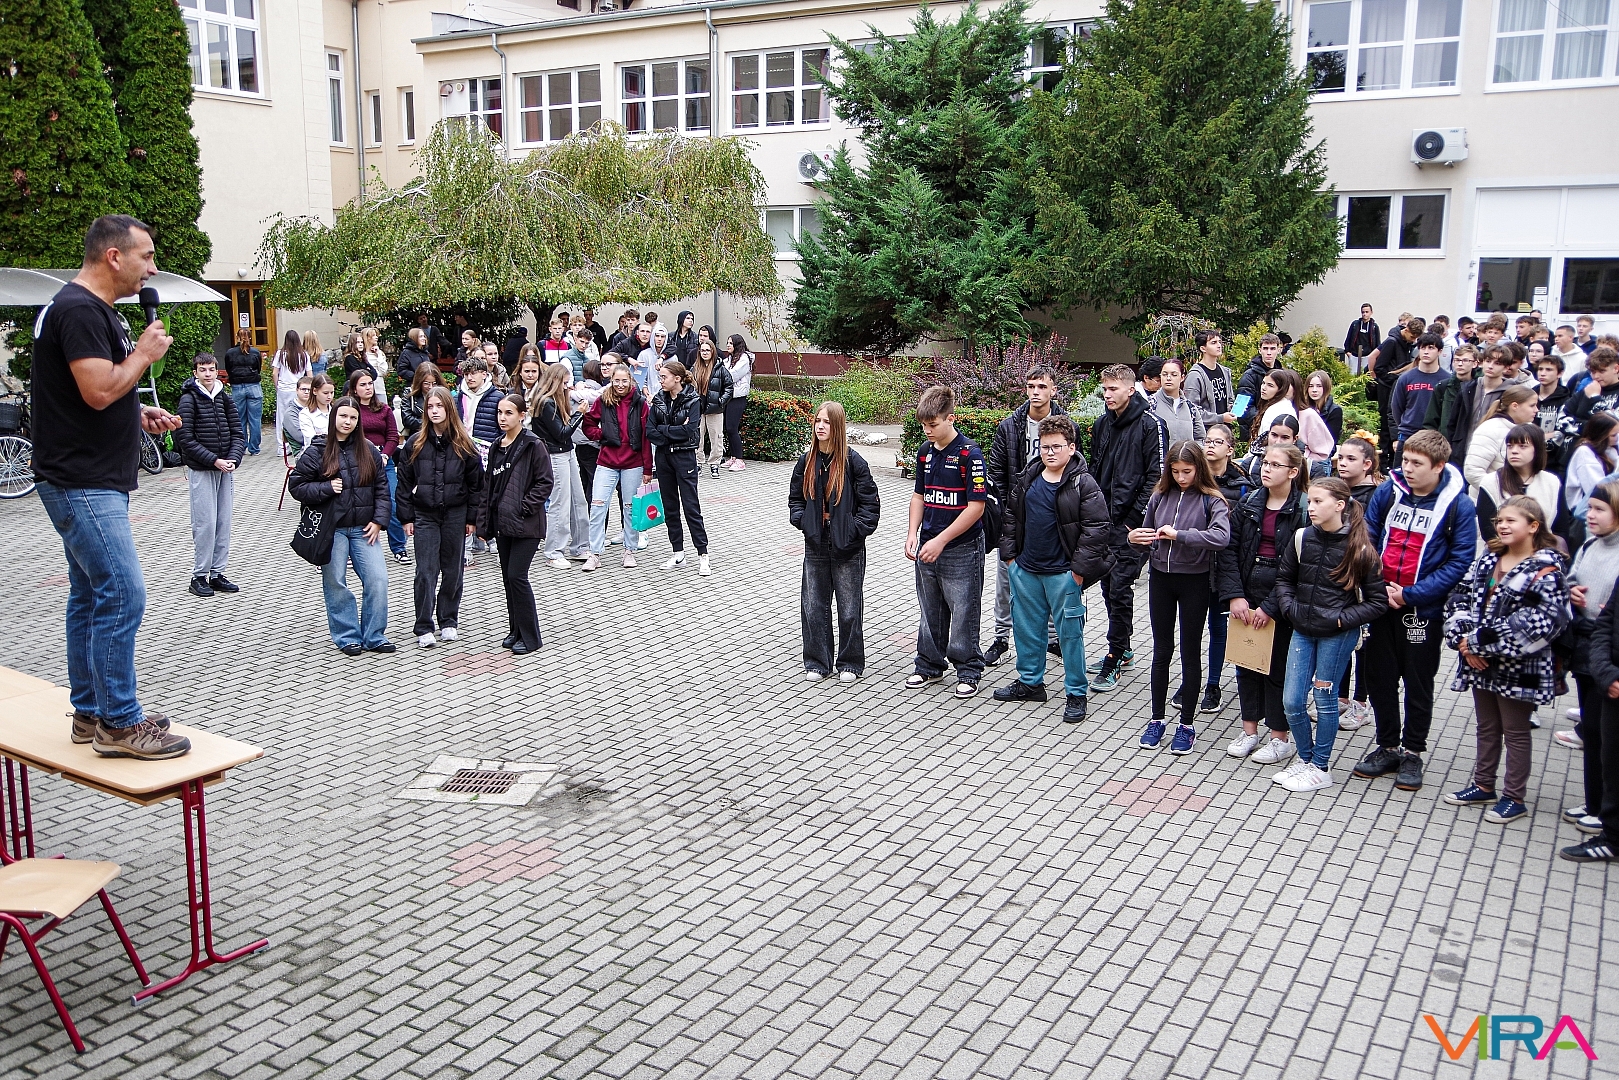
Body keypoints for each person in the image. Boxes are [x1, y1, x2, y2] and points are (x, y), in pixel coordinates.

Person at [31, 215, 191, 759]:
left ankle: (90, 713)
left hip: (82, 477)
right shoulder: (79, 310)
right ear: (113, 256)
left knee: (89, 595)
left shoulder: (86, 309)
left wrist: (135, 412)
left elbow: (87, 394)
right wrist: (143, 355)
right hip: (82, 482)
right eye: (147, 256)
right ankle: (120, 724)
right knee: (123, 593)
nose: (153, 269)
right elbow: (98, 390)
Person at [1353, 429, 1478, 793]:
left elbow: (1460, 561)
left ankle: (1412, 752)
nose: (1407, 468)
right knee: (1379, 677)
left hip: (1422, 609)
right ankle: (1387, 746)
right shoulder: (1388, 491)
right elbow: (1367, 536)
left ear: (1438, 466)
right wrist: (1377, 587)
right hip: (1381, 602)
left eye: (1417, 463)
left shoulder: (1458, 505)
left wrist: (1411, 595)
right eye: (1405, 460)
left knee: (1418, 681)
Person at [1441, 496, 1570, 825]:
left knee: (1515, 731)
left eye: (1511, 520)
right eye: (1499, 520)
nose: (1502, 526)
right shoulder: (1488, 559)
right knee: (1486, 726)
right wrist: (1461, 639)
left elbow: (1541, 623)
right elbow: (1459, 596)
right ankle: (1484, 785)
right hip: (1480, 662)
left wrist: (1477, 644)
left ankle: (1514, 797)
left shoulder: (1546, 570)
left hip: (1521, 667)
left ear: (1533, 526)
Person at [1267, 477, 1388, 792]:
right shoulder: (1302, 537)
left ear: (1339, 505)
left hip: (1337, 635)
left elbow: (1378, 602)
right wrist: (1291, 609)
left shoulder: (1360, 548)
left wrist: (1340, 620)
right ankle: (1306, 760)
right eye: (1310, 501)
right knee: (1292, 700)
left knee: (1324, 698)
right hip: (1302, 629)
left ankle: (1321, 767)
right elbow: (1284, 579)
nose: (1311, 507)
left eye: (1319, 501)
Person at [992, 414, 1111, 723]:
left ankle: (1076, 693)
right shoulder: (1028, 477)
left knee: (1070, 635)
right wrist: (1010, 559)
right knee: (1027, 631)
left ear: (1071, 448)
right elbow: (1010, 517)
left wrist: (1077, 572)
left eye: (1057, 447)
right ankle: (1030, 683)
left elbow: (1097, 529)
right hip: (1026, 571)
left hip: (1063, 575)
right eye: (1045, 447)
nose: (1050, 452)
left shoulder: (1083, 483)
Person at [1130, 441, 1231, 753]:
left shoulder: (1212, 499)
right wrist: (1135, 538)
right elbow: (1147, 534)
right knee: (1161, 650)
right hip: (1161, 578)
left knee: (1190, 651)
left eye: (1187, 471)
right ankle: (1156, 719)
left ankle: (1187, 724)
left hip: (1195, 581)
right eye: (1175, 472)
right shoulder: (1160, 495)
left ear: (1199, 468)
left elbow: (1221, 537)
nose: (1181, 477)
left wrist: (1181, 536)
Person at [1216, 444, 1308, 763]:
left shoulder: (1302, 508)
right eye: (1265, 463)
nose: (1266, 468)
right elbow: (1229, 550)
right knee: (1246, 663)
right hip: (1247, 591)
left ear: (1293, 472)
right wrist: (1236, 596)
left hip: (1281, 599)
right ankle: (1249, 731)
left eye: (1274, 465)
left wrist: (1271, 606)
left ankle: (1279, 737)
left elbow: (1299, 566)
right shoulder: (1250, 501)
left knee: (1276, 669)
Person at [289, 397, 394, 656]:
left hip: (364, 529)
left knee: (378, 580)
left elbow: (382, 489)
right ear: (333, 417)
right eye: (343, 416)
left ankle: (374, 636)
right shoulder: (318, 450)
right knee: (336, 582)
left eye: (353, 418)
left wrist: (379, 521)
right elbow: (297, 486)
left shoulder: (368, 449)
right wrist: (326, 487)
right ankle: (347, 636)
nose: (347, 422)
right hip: (332, 530)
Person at [904, 385, 990, 696]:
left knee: (964, 609)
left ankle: (968, 670)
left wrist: (941, 540)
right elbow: (919, 495)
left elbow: (976, 507)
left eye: (933, 424)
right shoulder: (925, 452)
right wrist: (912, 533)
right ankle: (929, 665)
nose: (927, 431)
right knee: (930, 609)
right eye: (923, 425)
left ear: (951, 418)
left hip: (961, 548)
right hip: (927, 544)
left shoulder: (970, 454)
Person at [1087, 364, 1169, 692]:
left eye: (1113, 389)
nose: (1107, 395)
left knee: (1120, 586)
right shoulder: (1102, 424)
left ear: (1131, 389)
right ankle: (1122, 648)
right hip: (1103, 521)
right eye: (1104, 389)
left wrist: (1134, 519)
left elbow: (1157, 476)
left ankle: (1116, 655)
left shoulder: (1151, 425)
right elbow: (1095, 470)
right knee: (1109, 586)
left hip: (1133, 526)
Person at [790, 402, 882, 683]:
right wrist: (804, 522)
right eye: (818, 421)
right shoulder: (807, 461)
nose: (821, 426)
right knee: (813, 606)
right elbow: (795, 499)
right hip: (816, 542)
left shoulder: (854, 462)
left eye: (827, 422)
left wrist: (854, 531)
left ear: (838, 426)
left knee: (849, 608)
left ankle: (850, 663)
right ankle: (818, 662)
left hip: (847, 545)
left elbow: (870, 506)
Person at [986, 366, 1067, 666]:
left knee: (1054, 578)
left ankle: (1054, 638)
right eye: (1031, 386)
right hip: (1016, 515)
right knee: (1006, 577)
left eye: (1042, 387)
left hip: (1053, 515)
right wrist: (1009, 510)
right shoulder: (1010, 427)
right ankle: (1001, 637)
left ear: (1053, 390)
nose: (1036, 392)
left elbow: (1076, 469)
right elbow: (997, 474)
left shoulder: (1066, 425)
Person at [395, 386, 482, 649]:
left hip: (455, 513)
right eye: (430, 407)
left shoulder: (464, 443)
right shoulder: (415, 443)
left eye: (439, 406)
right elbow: (403, 483)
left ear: (449, 409)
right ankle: (424, 625)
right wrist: (406, 517)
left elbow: (476, 485)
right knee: (425, 571)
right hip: (425, 513)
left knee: (453, 570)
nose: (434, 411)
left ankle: (448, 619)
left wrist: (472, 518)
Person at [477, 393, 553, 655]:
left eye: (508, 413)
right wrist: (484, 521)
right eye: (499, 412)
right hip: (503, 522)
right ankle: (516, 630)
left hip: (526, 524)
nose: (502, 418)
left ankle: (531, 638)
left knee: (517, 576)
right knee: (508, 580)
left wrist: (524, 506)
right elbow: (489, 486)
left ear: (522, 415)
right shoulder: (497, 446)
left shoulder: (533, 444)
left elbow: (545, 482)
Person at [1567, 483, 1619, 861]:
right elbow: (1573, 577)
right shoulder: (1588, 545)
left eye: (1600, 509)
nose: (1591, 515)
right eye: (1590, 508)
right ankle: (1593, 802)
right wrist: (1572, 592)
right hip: (1587, 645)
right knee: (1591, 728)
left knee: (1606, 736)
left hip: (1607, 654)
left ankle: (1605, 811)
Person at [175, 352, 244, 599]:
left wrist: (233, 459)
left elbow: (238, 432)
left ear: (217, 371)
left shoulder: (224, 398)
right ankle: (199, 576)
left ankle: (217, 573)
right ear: (195, 372)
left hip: (225, 470)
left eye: (211, 369)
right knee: (205, 524)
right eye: (202, 369)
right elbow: (185, 438)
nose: (208, 374)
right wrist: (213, 460)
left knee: (223, 522)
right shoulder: (188, 399)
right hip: (203, 469)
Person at [581, 363, 653, 571]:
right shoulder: (603, 400)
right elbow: (588, 424)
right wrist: (601, 435)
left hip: (633, 462)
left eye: (624, 381)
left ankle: (629, 550)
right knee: (597, 505)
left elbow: (646, 437)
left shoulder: (640, 403)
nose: (620, 385)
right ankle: (594, 553)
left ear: (631, 381)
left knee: (630, 508)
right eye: (616, 381)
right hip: (607, 461)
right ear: (611, 381)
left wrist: (647, 469)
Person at [1332, 437, 1383, 731]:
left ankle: (1361, 702)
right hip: (1339, 575)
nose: (1343, 463)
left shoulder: (1375, 495)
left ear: (1367, 464)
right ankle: (1340, 697)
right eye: (1341, 457)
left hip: (1365, 576)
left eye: (1351, 459)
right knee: (1341, 638)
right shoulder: (1335, 491)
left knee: (1365, 643)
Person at [646, 360, 712, 575]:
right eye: (660, 377)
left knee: (691, 506)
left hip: (685, 458)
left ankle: (703, 554)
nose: (660, 381)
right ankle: (678, 552)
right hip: (663, 458)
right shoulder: (659, 399)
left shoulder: (693, 400)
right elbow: (650, 431)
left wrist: (663, 430)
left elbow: (690, 431)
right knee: (670, 506)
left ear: (677, 378)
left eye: (664, 377)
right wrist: (671, 431)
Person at [530, 363, 591, 568]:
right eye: (564, 383)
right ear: (555, 381)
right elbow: (562, 433)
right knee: (560, 503)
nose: (567, 387)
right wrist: (579, 414)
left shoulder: (554, 401)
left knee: (578, 500)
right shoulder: (546, 403)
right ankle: (554, 551)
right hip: (555, 454)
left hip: (567, 452)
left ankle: (580, 546)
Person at [347, 370, 408, 564]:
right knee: (360, 505)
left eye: (370, 384)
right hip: (359, 461)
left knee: (393, 503)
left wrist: (385, 455)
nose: (368, 388)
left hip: (384, 461)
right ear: (354, 389)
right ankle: (358, 550)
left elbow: (393, 437)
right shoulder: (351, 410)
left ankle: (399, 548)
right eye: (363, 385)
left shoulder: (384, 409)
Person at [1475, 424, 1562, 545]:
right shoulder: (1491, 482)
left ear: (1537, 449)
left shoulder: (1552, 482)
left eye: (1522, 446)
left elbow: (1560, 528)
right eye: (1510, 446)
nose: (1514, 451)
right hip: (1501, 551)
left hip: (1542, 549)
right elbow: (1488, 530)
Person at [1462, 385, 1540, 491]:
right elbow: (1473, 472)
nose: (1536, 410)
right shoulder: (1489, 429)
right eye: (1532, 405)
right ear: (1515, 406)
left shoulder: (1531, 429)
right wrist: (1502, 493)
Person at [1370, 317, 1423, 462]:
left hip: (1395, 384)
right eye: (1412, 336)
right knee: (1386, 422)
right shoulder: (1392, 342)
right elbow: (1379, 368)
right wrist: (1395, 380)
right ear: (1406, 330)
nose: (1413, 340)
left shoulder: (1406, 343)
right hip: (1387, 387)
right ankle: (1385, 458)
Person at [1564, 412, 1619, 550]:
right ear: (1601, 435)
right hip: (1584, 517)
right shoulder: (1585, 452)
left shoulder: (1610, 451)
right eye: (1613, 435)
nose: (1617, 438)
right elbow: (1597, 490)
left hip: (1608, 514)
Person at [1390, 334, 1449, 453]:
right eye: (1423, 348)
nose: (1426, 352)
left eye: (1431, 348)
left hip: (1434, 438)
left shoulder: (1447, 380)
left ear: (1439, 351)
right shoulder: (1405, 378)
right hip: (1408, 435)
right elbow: (1396, 408)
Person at [691, 339, 734, 478]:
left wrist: (721, 402)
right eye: (702, 350)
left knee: (716, 437)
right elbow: (688, 387)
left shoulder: (720, 369)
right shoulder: (695, 368)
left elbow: (729, 387)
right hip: (698, 409)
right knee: (697, 437)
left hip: (715, 409)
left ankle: (715, 464)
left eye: (707, 350)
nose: (705, 353)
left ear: (713, 352)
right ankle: (698, 463)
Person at [1424, 344, 1477, 448]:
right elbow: (1431, 420)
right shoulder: (1443, 386)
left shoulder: (1479, 387)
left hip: (1470, 444)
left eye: (1465, 360)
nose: (1460, 364)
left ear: (1475, 363)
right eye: (1457, 360)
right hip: (1445, 444)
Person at [1183, 331, 1238, 430]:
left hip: (1225, 430)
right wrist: (1220, 418)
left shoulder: (1225, 371)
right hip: (1206, 432)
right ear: (1203, 348)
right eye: (1213, 343)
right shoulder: (1195, 376)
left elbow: (1229, 400)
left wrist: (1235, 409)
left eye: (1219, 342)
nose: (1219, 345)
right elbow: (1192, 410)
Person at [222, 328, 264, 455]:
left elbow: (229, 369)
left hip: (237, 387)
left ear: (237, 337)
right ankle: (254, 448)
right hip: (254, 386)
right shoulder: (255, 352)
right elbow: (258, 368)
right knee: (255, 419)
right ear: (250, 337)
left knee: (239, 419)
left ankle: (241, 446)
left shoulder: (230, 353)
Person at [455, 356, 504, 457]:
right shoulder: (457, 398)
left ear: (484, 374)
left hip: (489, 452)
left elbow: (504, 429)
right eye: (466, 374)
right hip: (462, 450)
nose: (469, 378)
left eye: (473, 373)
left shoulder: (498, 397)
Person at [1149, 358, 1205, 446]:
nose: (1168, 378)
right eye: (1164, 374)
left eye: (1174, 375)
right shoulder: (1150, 404)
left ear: (1182, 377)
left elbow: (1200, 438)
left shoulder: (1191, 408)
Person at [1235, 333, 1283, 432]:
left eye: (1272, 349)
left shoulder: (1283, 375)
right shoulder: (1249, 376)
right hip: (1253, 430)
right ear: (1260, 350)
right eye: (1265, 348)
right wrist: (1265, 421)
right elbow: (1241, 408)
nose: (1269, 352)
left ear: (1279, 350)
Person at [1532, 352, 1571, 473]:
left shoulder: (1567, 399)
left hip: (1553, 460)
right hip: (1529, 455)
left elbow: (1563, 431)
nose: (1543, 373)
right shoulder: (1529, 395)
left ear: (1560, 373)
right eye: (1540, 369)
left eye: (1549, 370)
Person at [272, 328, 308, 452]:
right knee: (300, 416)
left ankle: (282, 447)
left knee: (281, 417)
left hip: (284, 389)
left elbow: (275, 373)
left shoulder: (280, 354)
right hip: (299, 389)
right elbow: (309, 374)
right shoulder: (304, 355)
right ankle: (299, 444)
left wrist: (277, 386)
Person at [722, 334, 754, 471]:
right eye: (727, 342)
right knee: (728, 428)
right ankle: (733, 457)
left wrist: (722, 376)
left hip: (738, 397)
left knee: (732, 428)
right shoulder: (729, 359)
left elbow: (731, 376)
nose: (728, 345)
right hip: (728, 396)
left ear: (737, 345)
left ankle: (740, 460)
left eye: (731, 343)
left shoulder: (744, 359)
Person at [399, 362, 443, 444]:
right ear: (419, 382)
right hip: (417, 437)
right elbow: (407, 420)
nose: (430, 387)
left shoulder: (443, 394)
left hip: (440, 436)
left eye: (434, 383)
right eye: (426, 383)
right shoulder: (409, 394)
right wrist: (431, 423)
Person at [1304, 371, 1342, 443]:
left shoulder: (1335, 411)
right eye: (1311, 386)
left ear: (1326, 387)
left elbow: (1330, 441)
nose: (1314, 390)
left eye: (1319, 386)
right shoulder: (1302, 408)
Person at [299, 373, 335, 447]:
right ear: (315, 391)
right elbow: (311, 440)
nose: (329, 396)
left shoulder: (337, 410)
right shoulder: (305, 414)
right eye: (325, 393)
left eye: (332, 393)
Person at [1344, 304, 1380, 376]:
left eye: (1367, 312)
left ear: (1371, 312)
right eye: (1363, 312)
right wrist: (1348, 353)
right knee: (1352, 375)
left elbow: (1378, 343)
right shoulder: (1355, 324)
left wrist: (1374, 356)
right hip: (1354, 355)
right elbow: (1348, 338)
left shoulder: (1374, 327)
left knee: (1365, 376)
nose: (1364, 314)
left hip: (1367, 356)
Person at [283, 374, 314, 455]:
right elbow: (301, 438)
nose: (306, 392)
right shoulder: (290, 413)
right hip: (303, 453)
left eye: (309, 389)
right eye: (303, 389)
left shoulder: (316, 408)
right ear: (297, 390)